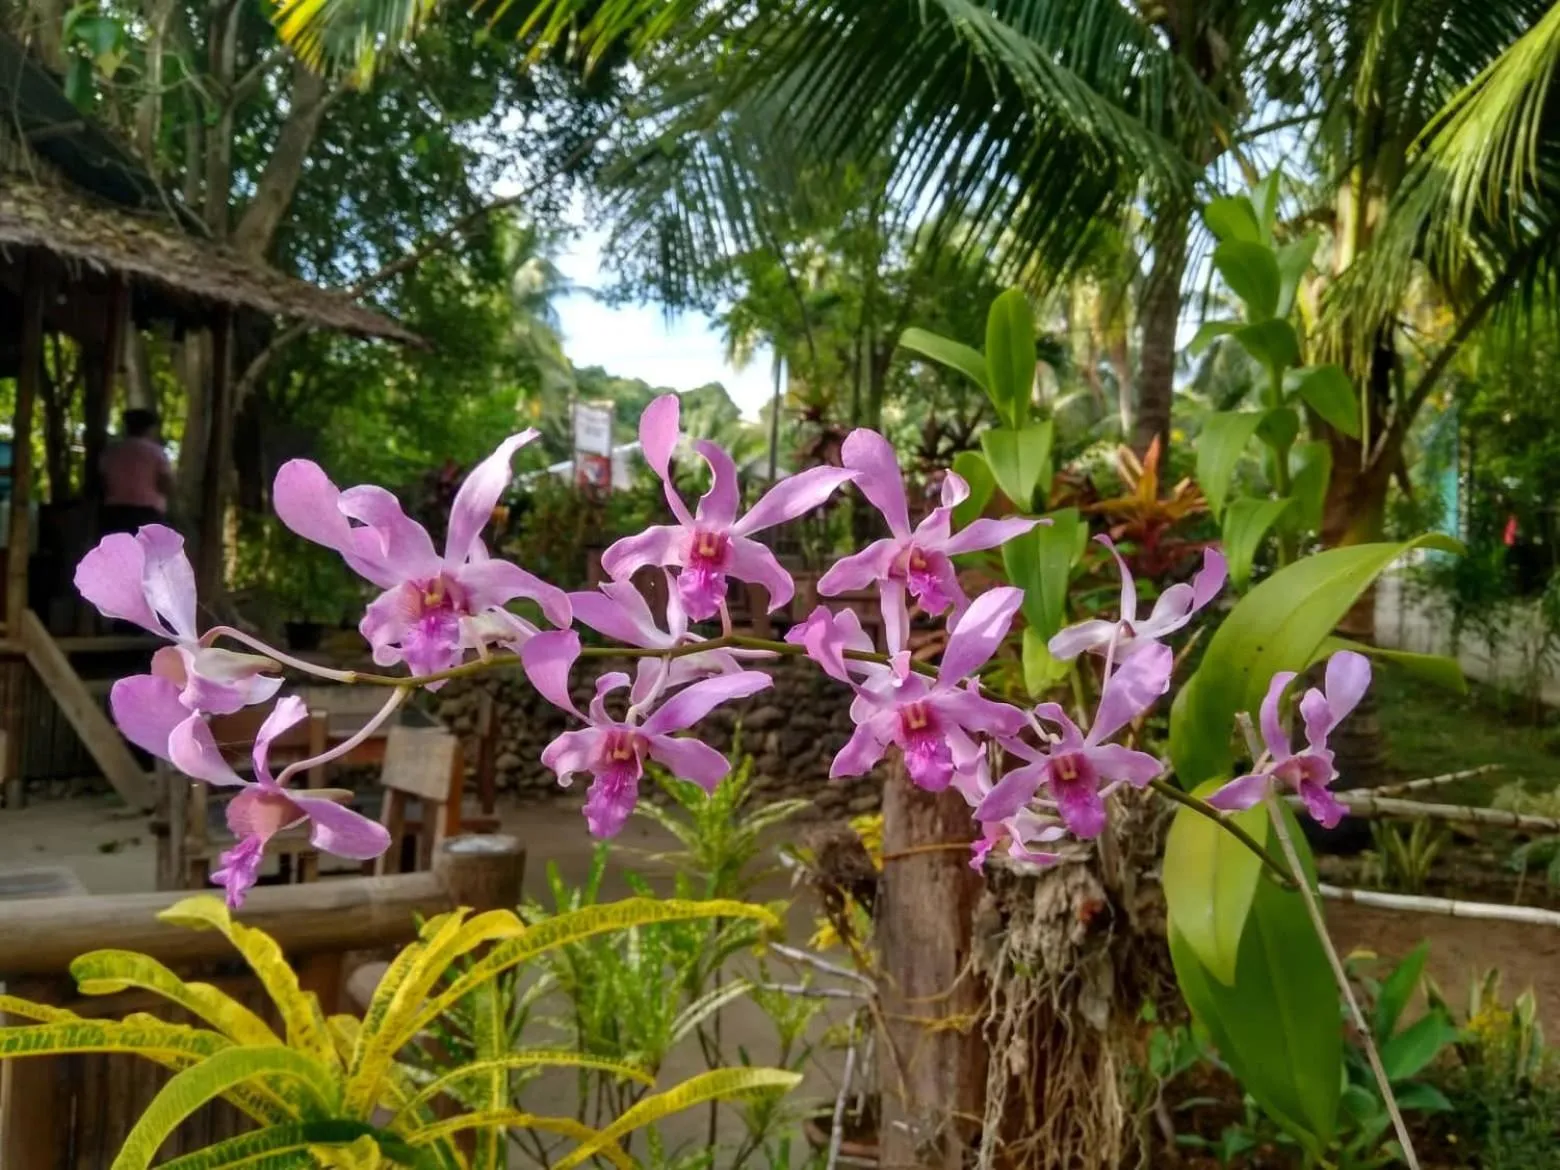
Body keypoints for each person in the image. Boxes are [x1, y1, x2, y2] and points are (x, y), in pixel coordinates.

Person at [99, 409, 174, 535]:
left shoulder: (111, 452)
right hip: (148, 514)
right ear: (149, 428)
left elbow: (102, 482)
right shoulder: (156, 453)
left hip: (115, 513)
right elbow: (165, 484)